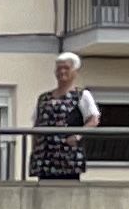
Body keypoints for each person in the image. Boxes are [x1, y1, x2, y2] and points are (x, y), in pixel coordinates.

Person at [29, 52, 99, 182]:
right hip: (44, 158)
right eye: (59, 68)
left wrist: (77, 136)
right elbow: (36, 125)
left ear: (75, 71)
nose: (62, 71)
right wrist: (34, 151)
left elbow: (94, 120)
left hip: (68, 158)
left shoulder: (82, 95)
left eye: (66, 68)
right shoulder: (43, 98)